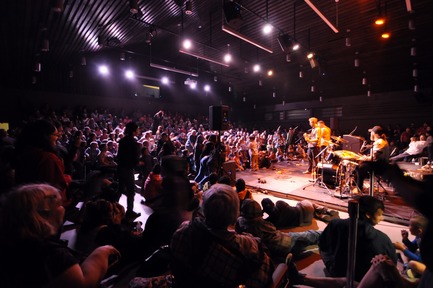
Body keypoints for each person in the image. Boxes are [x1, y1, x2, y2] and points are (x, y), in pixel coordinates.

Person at [0, 183, 120, 288]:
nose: (63, 207)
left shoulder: (14, 243)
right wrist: (102, 252)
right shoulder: (50, 253)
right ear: (43, 216)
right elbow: (83, 283)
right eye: (59, 204)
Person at [170, 184, 274, 288]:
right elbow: (265, 278)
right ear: (235, 216)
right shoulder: (249, 248)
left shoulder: (183, 232)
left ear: (204, 210)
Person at [318, 195, 397, 282]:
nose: (382, 218)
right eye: (380, 215)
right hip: (366, 280)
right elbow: (392, 264)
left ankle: (317, 209)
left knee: (318, 236)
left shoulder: (335, 223)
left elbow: (323, 245)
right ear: (368, 215)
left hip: (337, 272)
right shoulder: (383, 238)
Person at [236, 199, 321, 263]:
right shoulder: (279, 205)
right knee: (311, 235)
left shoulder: (240, 223)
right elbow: (272, 228)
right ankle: (329, 229)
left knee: (305, 238)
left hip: (275, 249)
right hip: (286, 241)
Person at [13, 119, 72, 206]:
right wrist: (67, 178)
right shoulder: (48, 158)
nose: (58, 137)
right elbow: (55, 186)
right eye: (55, 134)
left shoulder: (24, 153)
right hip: (46, 206)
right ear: (45, 136)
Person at [116, 121, 141, 220]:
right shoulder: (134, 143)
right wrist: (139, 165)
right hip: (128, 169)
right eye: (137, 129)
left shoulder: (122, 141)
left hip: (121, 168)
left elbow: (119, 156)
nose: (139, 130)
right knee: (131, 191)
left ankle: (112, 207)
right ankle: (129, 211)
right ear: (133, 131)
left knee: (120, 189)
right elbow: (135, 159)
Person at [355, 125, 390, 192]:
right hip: (381, 164)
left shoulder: (380, 142)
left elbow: (374, 158)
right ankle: (359, 186)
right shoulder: (381, 141)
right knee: (361, 165)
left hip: (380, 166)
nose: (370, 134)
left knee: (359, 167)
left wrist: (364, 158)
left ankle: (359, 189)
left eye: (371, 132)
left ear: (375, 134)